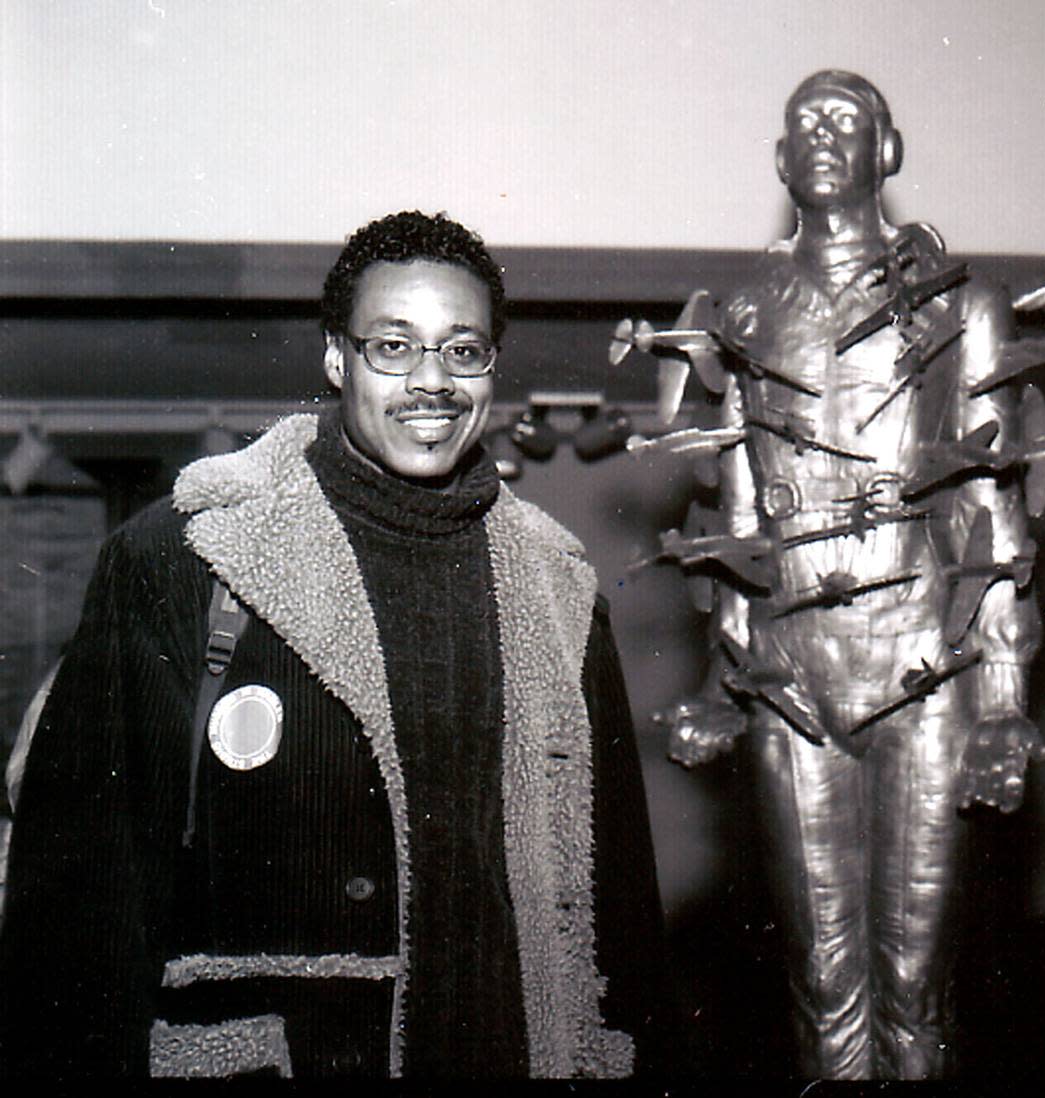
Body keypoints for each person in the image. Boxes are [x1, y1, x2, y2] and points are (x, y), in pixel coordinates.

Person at [0, 211, 665, 1079]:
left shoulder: (558, 587)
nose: (432, 381)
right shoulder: (188, 555)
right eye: (393, 346)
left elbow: (621, 913)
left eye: (462, 351)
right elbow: (78, 905)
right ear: (335, 357)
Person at [655, 72, 1044, 1079]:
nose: (822, 138)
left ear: (890, 151)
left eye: (847, 123)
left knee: (914, 991)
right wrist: (721, 684)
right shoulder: (740, 312)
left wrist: (1003, 702)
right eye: (803, 127)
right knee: (822, 986)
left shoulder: (964, 304)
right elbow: (737, 518)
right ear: (783, 163)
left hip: (926, 672)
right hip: (793, 685)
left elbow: (993, 507)